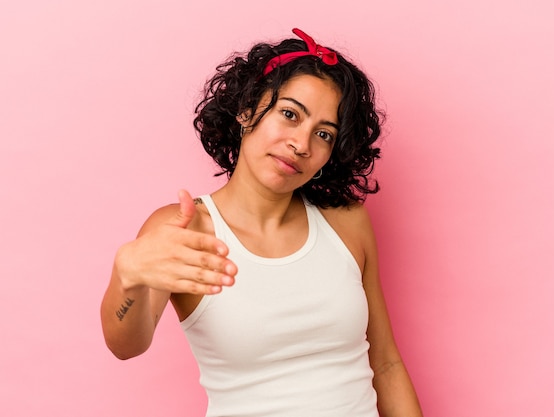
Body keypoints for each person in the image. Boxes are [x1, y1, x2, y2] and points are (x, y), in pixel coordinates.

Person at [100, 28, 423, 417]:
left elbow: (385, 363)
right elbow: (125, 345)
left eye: (323, 134)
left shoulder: (346, 222)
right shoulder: (185, 229)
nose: (301, 144)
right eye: (290, 114)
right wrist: (127, 277)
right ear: (247, 109)